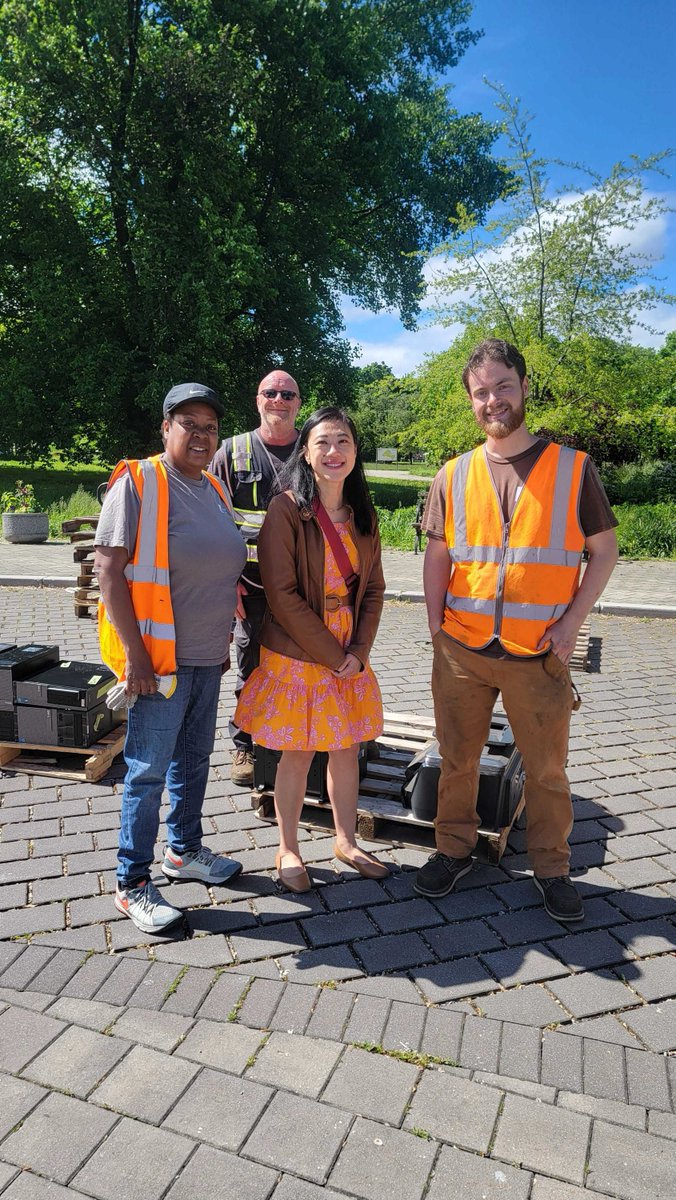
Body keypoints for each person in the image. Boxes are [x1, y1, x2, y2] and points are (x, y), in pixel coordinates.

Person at [415, 339, 619, 922]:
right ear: (470, 402)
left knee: (548, 772)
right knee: (456, 757)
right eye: (481, 392)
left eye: (503, 386)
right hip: (462, 650)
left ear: (524, 388)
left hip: (539, 654)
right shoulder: (452, 474)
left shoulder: (573, 468)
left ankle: (553, 869)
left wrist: (572, 623)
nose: (493, 401)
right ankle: (453, 849)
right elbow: (437, 555)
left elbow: (603, 551)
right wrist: (435, 624)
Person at [95, 382, 247, 936]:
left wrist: (225, 639)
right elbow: (109, 572)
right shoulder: (138, 482)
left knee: (194, 760)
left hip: (208, 657)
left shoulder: (213, 489)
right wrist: (134, 656)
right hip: (158, 662)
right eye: (190, 423)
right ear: (166, 428)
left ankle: (183, 851)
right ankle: (131, 882)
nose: (202, 435)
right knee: (147, 771)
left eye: (210, 426)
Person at [235, 406, 389, 891]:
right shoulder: (286, 509)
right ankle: (288, 848)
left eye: (343, 441)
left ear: (355, 451)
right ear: (306, 451)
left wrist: (358, 652)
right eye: (323, 442)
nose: (333, 451)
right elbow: (281, 594)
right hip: (300, 653)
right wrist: (334, 655)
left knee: (346, 748)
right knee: (298, 753)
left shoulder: (364, 515)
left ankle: (346, 840)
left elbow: (376, 590)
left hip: (348, 652)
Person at [209, 370, 301, 786]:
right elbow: (208, 521)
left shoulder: (315, 448)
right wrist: (226, 583)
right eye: (270, 392)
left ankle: (294, 740)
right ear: (257, 399)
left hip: (304, 590)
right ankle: (245, 746)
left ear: (298, 402)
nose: (278, 399)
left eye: (287, 393)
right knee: (250, 668)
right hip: (250, 589)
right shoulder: (232, 451)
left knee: (303, 666)